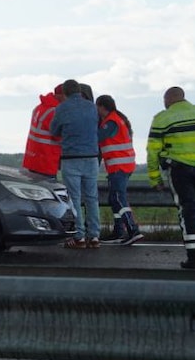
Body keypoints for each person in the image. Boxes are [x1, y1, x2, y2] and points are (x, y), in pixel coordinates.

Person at [146, 87, 195, 270]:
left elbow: (152, 151)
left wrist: (155, 178)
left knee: (187, 210)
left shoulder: (162, 118)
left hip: (181, 169)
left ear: (167, 100)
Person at [50, 79, 101, 249]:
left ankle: (78, 236)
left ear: (64, 92)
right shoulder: (92, 107)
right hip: (92, 158)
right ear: (79, 90)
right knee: (92, 198)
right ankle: (94, 236)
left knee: (74, 199)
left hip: (71, 158)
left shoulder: (62, 108)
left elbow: (54, 131)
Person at [95, 95, 143, 245]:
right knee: (114, 199)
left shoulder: (110, 122)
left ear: (102, 107)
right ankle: (118, 232)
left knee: (117, 198)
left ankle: (132, 229)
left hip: (119, 166)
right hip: (122, 166)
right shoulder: (118, 119)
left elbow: (96, 137)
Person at [23, 84, 64, 178]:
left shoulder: (39, 107)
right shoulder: (55, 112)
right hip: (46, 159)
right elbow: (58, 136)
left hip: (32, 159)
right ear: (61, 95)